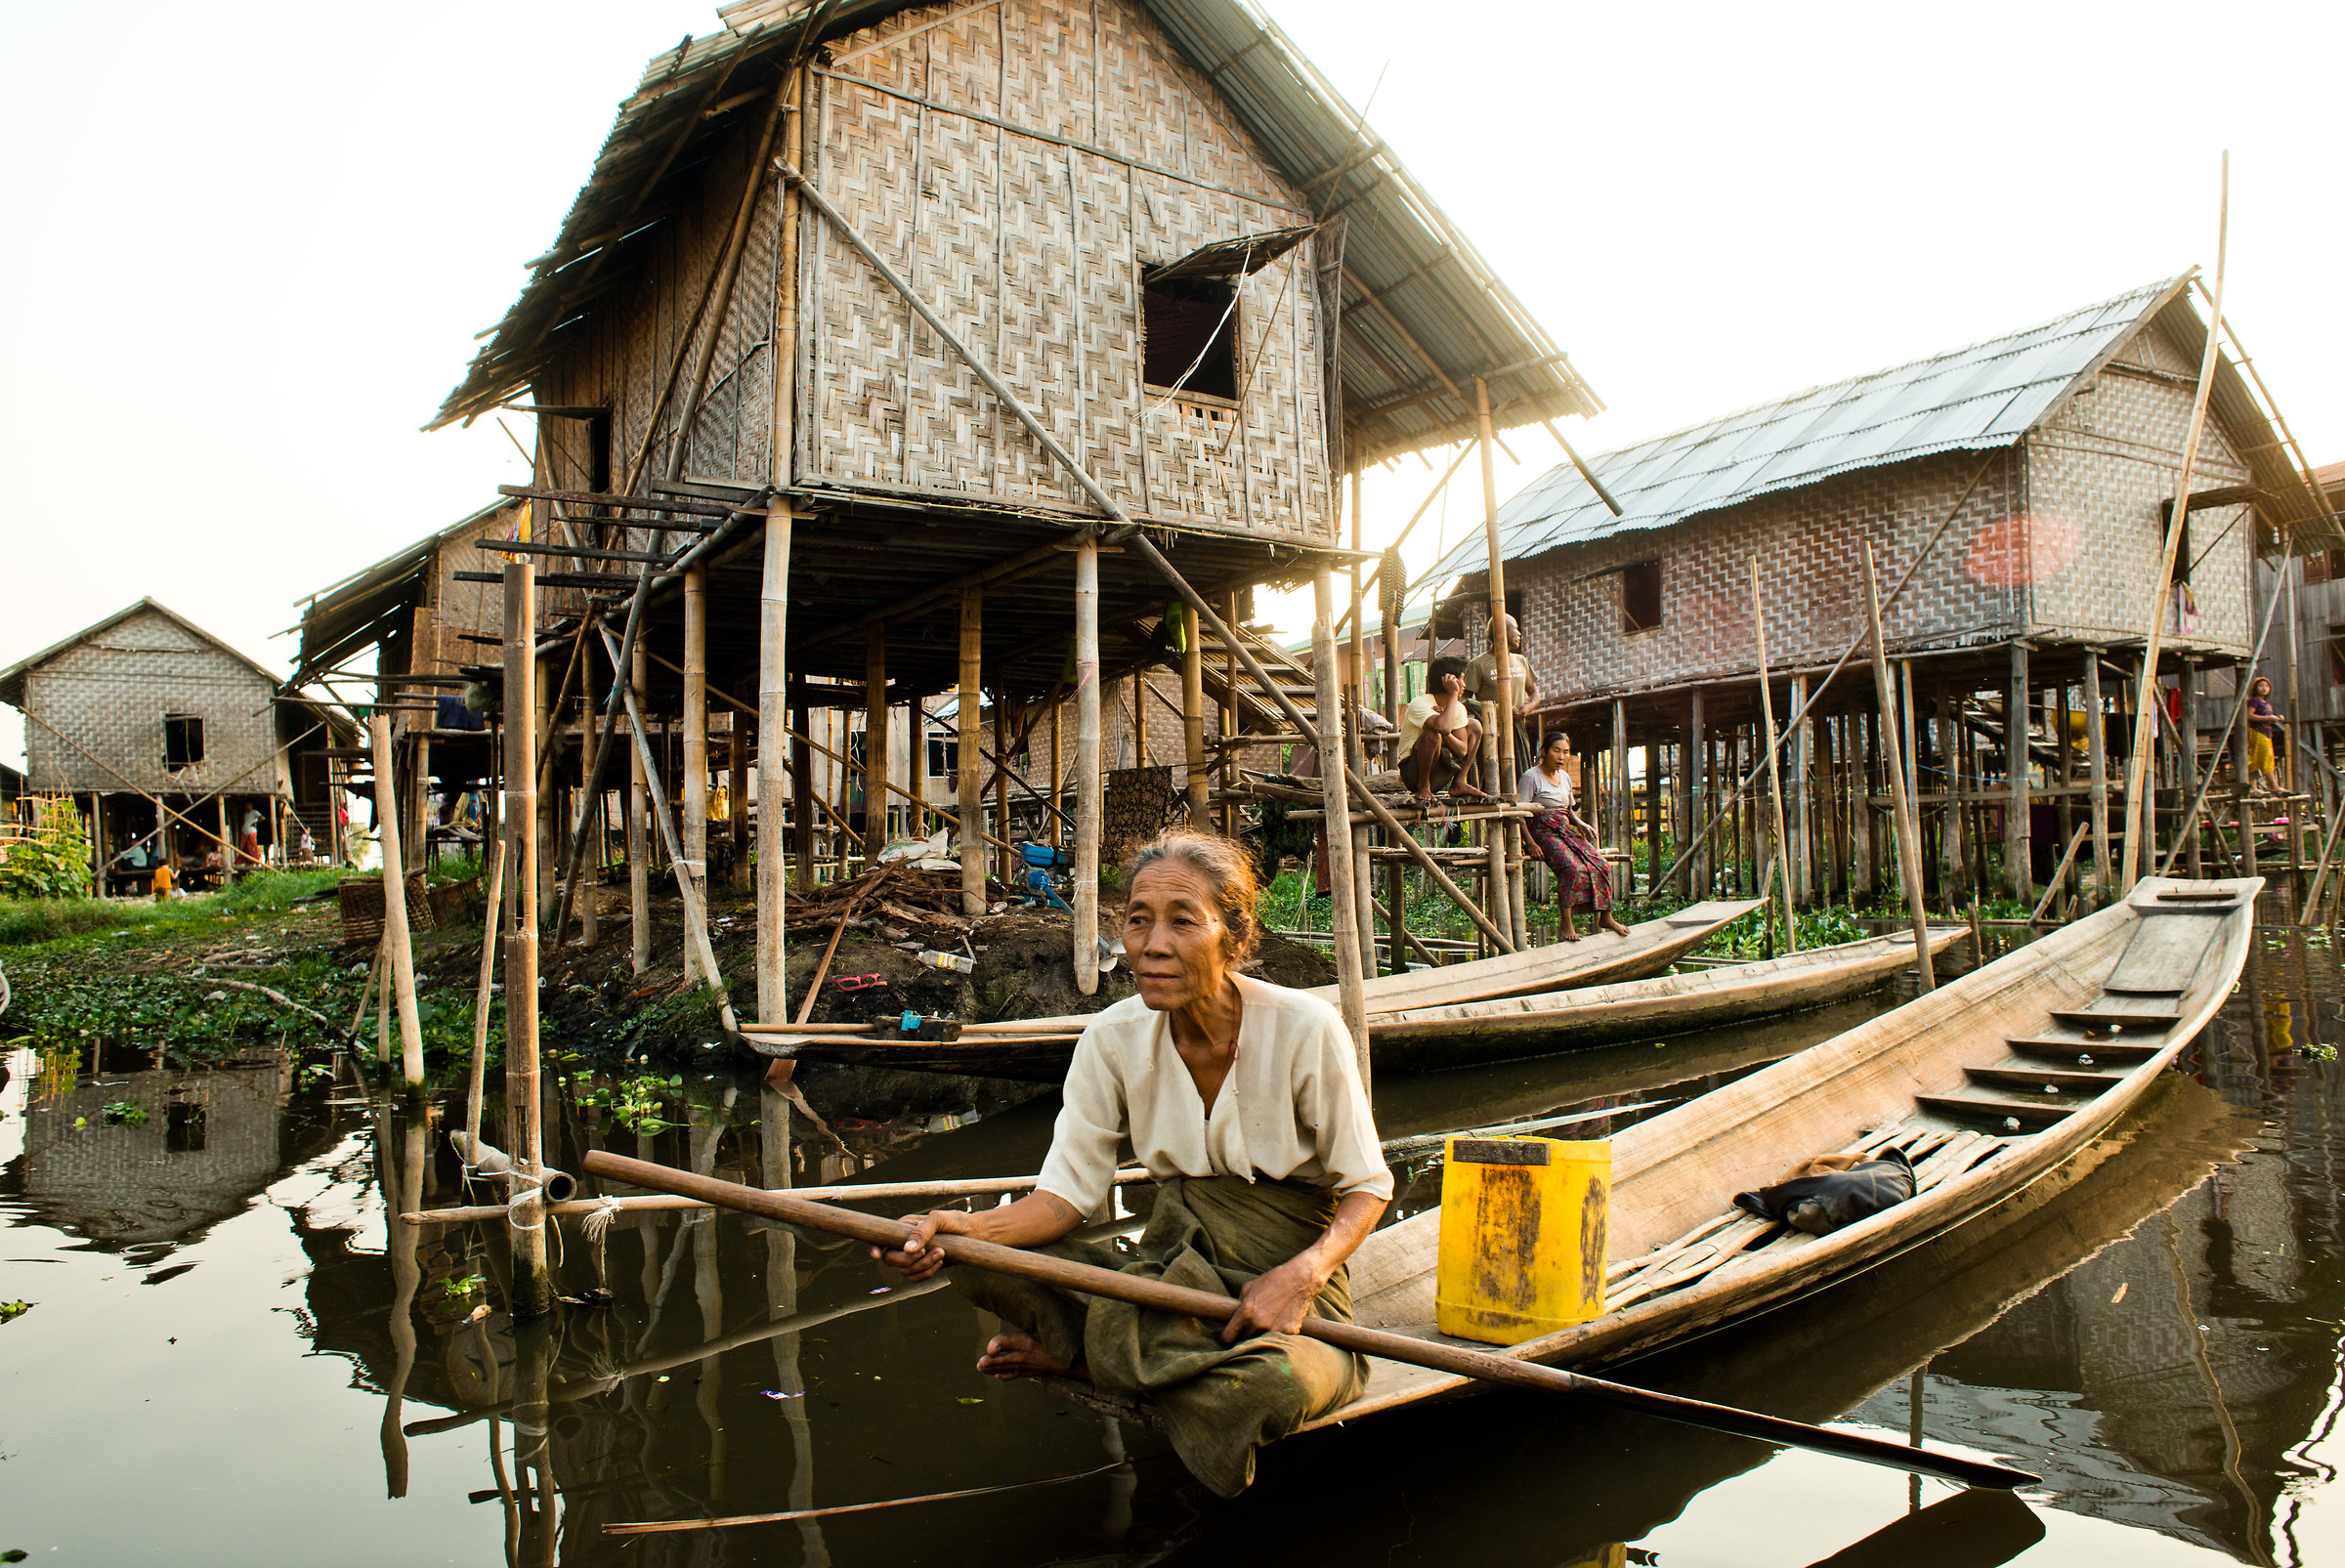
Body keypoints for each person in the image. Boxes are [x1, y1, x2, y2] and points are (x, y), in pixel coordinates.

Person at [874, 829, 1390, 1497]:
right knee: (978, 1259)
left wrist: (1300, 1276)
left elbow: (1369, 1186)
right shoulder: (1111, 1038)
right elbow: (1062, 1199)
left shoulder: (1303, 1028)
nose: (1152, 944)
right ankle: (1124, 1355)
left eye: (1182, 921)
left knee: (1271, 1383)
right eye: (1138, 920)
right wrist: (957, 1228)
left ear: (1234, 938)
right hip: (1172, 1277)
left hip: (1287, 1291)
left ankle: (1092, 1359)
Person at [1519, 731, 1630, 941]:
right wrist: (1530, 843)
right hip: (1542, 831)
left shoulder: (1565, 777)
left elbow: (1568, 810)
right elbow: (1519, 814)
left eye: (1566, 752)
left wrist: (1581, 824)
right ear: (1544, 751)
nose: (1562, 756)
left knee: (1602, 864)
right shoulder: (1530, 777)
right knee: (1571, 868)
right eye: (1556, 750)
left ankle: (1606, 916)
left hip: (1565, 829)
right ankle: (1566, 922)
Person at [1397, 657, 1488, 803]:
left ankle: (1459, 782)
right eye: (1461, 679)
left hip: (1442, 771)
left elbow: (1461, 751)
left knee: (1474, 726)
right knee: (1433, 733)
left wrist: (1444, 727)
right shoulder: (1419, 703)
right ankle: (1424, 785)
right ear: (1448, 681)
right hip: (1413, 774)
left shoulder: (1457, 708)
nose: (1464, 685)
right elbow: (1444, 727)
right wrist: (1453, 694)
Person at [2246, 676, 2285, 795]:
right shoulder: (2253, 701)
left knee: (2265, 758)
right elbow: (2249, 716)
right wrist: (2269, 717)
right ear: (2255, 688)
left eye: (2266, 686)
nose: (2264, 688)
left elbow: (2266, 718)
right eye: (2261, 686)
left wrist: (2277, 718)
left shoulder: (2266, 704)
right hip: (2257, 731)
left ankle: (2254, 786)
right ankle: (2272, 786)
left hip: (2266, 732)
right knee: (2260, 758)